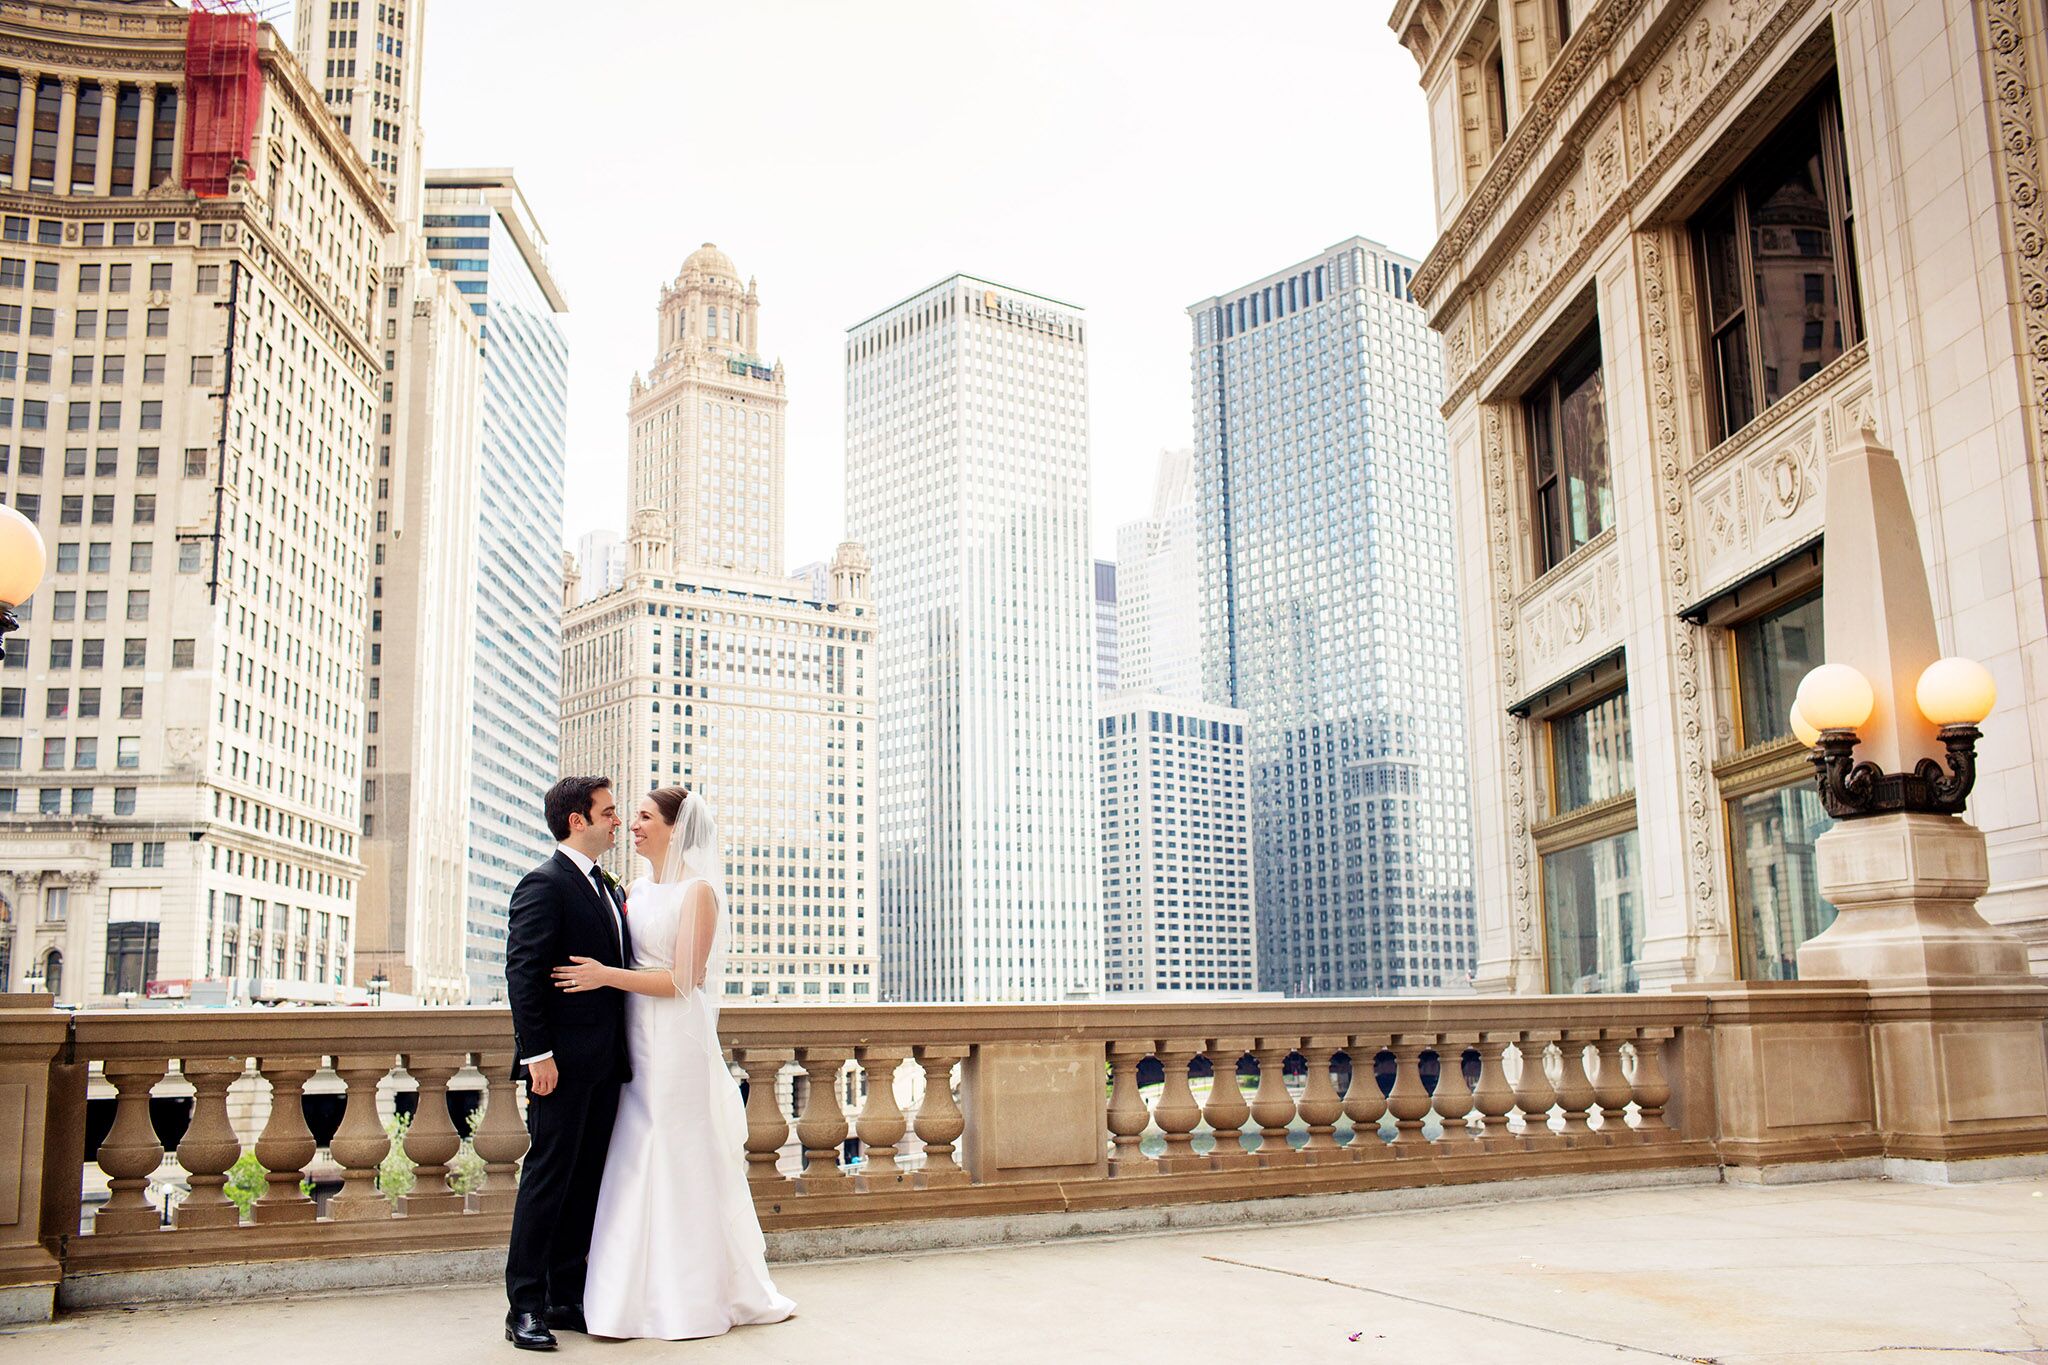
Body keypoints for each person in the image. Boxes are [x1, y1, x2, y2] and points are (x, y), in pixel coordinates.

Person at [553, 785, 797, 1341]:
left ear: (674, 826)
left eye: (641, 817)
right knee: (634, 1149)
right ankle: (621, 1295)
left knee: (672, 1147)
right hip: (632, 1037)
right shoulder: (635, 889)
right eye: (628, 816)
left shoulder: (700, 893)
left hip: (674, 1040)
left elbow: (684, 979)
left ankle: (684, 1294)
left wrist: (605, 976)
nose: (631, 826)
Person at [501, 776, 631, 1351]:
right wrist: (538, 1056)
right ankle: (523, 1307)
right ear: (577, 820)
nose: (617, 821)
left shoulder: (606, 886)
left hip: (606, 1065)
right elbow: (523, 975)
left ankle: (563, 1296)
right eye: (607, 811)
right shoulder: (544, 884)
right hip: (559, 1064)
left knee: (585, 1182)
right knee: (547, 1181)